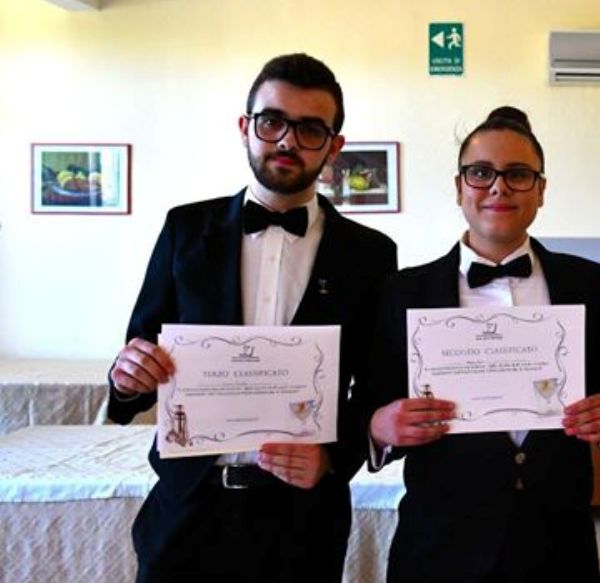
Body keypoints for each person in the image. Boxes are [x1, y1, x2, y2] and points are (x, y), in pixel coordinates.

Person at [106, 53, 398, 582]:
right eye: (272, 121)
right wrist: (127, 378)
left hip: (303, 522)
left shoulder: (370, 254)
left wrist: (333, 457)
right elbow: (141, 353)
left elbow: (378, 386)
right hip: (186, 512)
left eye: (310, 129)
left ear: (334, 147)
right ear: (246, 127)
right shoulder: (184, 229)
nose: (287, 140)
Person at [364, 106, 600, 583]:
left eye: (518, 174)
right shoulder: (403, 292)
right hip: (440, 549)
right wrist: (380, 426)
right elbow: (370, 403)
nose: (498, 187)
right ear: (459, 187)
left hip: (559, 548)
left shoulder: (585, 281)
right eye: (481, 172)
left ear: (541, 189)